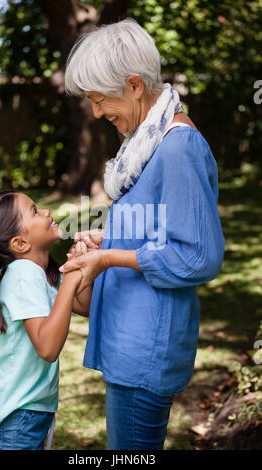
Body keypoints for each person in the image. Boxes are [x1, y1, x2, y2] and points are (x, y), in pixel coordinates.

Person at [62, 19, 225, 450]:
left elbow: (197, 255)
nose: (97, 113)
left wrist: (110, 260)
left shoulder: (177, 146)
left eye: (100, 100)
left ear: (134, 84)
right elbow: (158, 230)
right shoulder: (145, 145)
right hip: (128, 340)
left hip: (145, 348)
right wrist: (108, 242)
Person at [0, 190, 92, 450]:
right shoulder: (24, 274)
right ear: (20, 244)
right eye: (35, 211)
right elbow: (47, 348)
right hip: (16, 419)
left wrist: (81, 267)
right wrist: (71, 281)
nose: (46, 212)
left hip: (26, 412)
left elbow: (84, 305)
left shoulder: (38, 271)